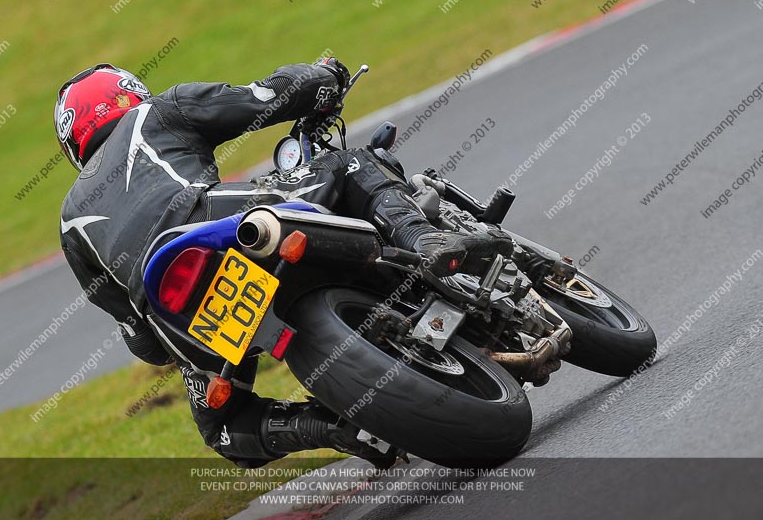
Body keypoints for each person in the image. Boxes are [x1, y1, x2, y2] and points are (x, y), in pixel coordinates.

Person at [56, 59, 512, 468]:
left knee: (222, 429)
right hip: (217, 223)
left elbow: (143, 342)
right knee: (346, 164)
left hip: (171, 310)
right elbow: (268, 97)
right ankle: (423, 238)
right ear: (127, 91)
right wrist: (324, 76)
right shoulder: (156, 114)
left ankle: (325, 425)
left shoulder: (70, 221)